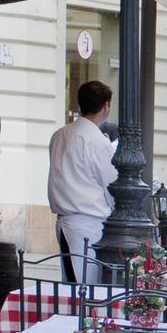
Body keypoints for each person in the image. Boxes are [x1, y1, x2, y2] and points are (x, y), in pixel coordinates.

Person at [48, 80, 118, 283]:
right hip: (89, 224)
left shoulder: (59, 135)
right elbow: (111, 185)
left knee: (72, 281)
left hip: (66, 219)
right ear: (106, 106)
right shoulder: (98, 142)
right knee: (85, 286)